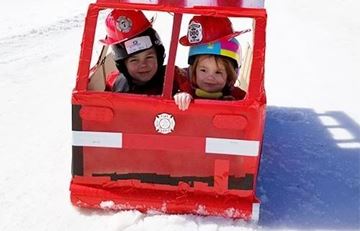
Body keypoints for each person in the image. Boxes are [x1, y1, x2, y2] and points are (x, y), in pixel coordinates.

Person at [101, 9, 190, 95]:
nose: (143, 65)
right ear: (123, 65)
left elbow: (193, 88)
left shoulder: (175, 77)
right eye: (134, 60)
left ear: (158, 57)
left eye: (149, 57)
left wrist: (184, 94)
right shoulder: (114, 83)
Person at [174, 16, 247, 111]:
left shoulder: (238, 97)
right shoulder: (184, 87)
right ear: (193, 71)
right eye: (203, 70)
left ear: (230, 75)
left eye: (218, 72)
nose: (210, 77)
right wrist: (180, 97)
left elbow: (251, 108)